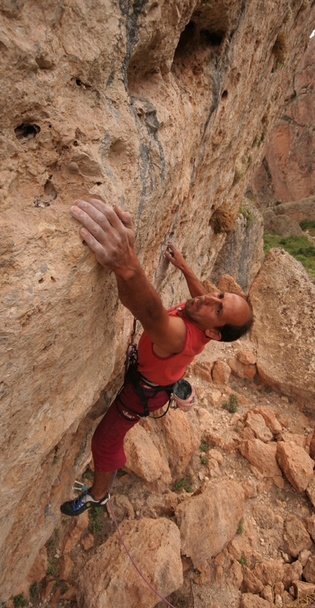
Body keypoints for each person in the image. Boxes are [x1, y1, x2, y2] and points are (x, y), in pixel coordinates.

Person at [61, 198, 252, 516]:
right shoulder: (205, 321)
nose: (207, 298)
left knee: (105, 441)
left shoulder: (178, 334)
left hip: (142, 393)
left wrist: (127, 263)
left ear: (216, 333)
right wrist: (184, 266)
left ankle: (98, 494)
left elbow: (149, 312)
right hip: (160, 376)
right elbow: (199, 294)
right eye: (219, 295)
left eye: (217, 307)